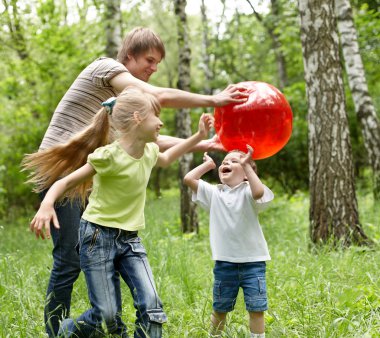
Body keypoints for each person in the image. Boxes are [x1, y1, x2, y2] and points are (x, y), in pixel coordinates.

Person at [33, 26, 248, 337]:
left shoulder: (124, 109)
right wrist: (213, 99)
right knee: (68, 259)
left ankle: (110, 322)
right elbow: (157, 97)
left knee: (90, 254)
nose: (154, 68)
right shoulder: (104, 68)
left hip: (84, 182)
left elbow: (148, 139)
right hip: (60, 175)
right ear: (128, 56)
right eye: (149, 59)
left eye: (158, 62)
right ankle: (56, 331)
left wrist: (199, 142)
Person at [26, 87, 214, 337]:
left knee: (152, 308)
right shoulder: (108, 156)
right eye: (155, 116)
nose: (160, 122)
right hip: (96, 238)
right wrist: (47, 205)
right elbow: (63, 183)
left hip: (130, 240)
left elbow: (168, 158)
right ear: (137, 117)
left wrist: (199, 136)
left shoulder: (149, 151)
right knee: (106, 316)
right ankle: (65, 331)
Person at [183, 146, 274, 338]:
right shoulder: (214, 193)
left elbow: (259, 193)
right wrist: (207, 165)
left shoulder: (249, 191)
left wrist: (247, 166)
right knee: (220, 307)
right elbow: (189, 179)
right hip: (225, 264)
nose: (226, 163)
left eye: (234, 162)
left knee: (256, 308)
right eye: (224, 162)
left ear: (247, 174)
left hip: (253, 263)